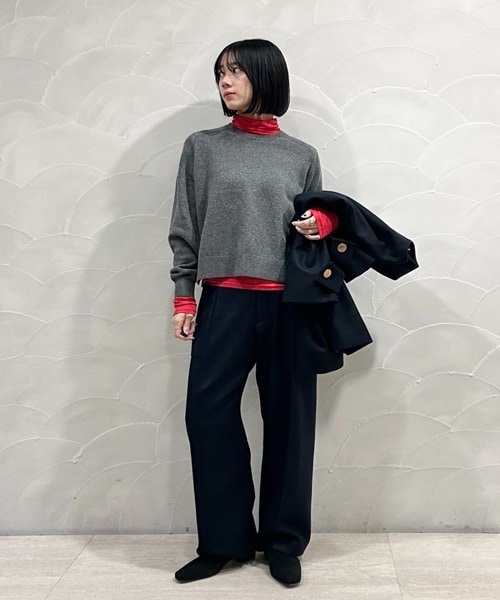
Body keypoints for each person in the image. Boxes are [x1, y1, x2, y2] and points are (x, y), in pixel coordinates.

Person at [168, 38, 338, 586]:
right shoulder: (203, 147)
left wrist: (320, 224)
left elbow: (316, 225)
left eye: (237, 71)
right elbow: (186, 225)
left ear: (265, 76)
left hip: (289, 303)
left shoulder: (301, 155)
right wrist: (184, 293)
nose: (225, 81)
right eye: (221, 71)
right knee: (207, 415)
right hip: (224, 299)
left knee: (289, 421)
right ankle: (225, 541)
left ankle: (283, 542)